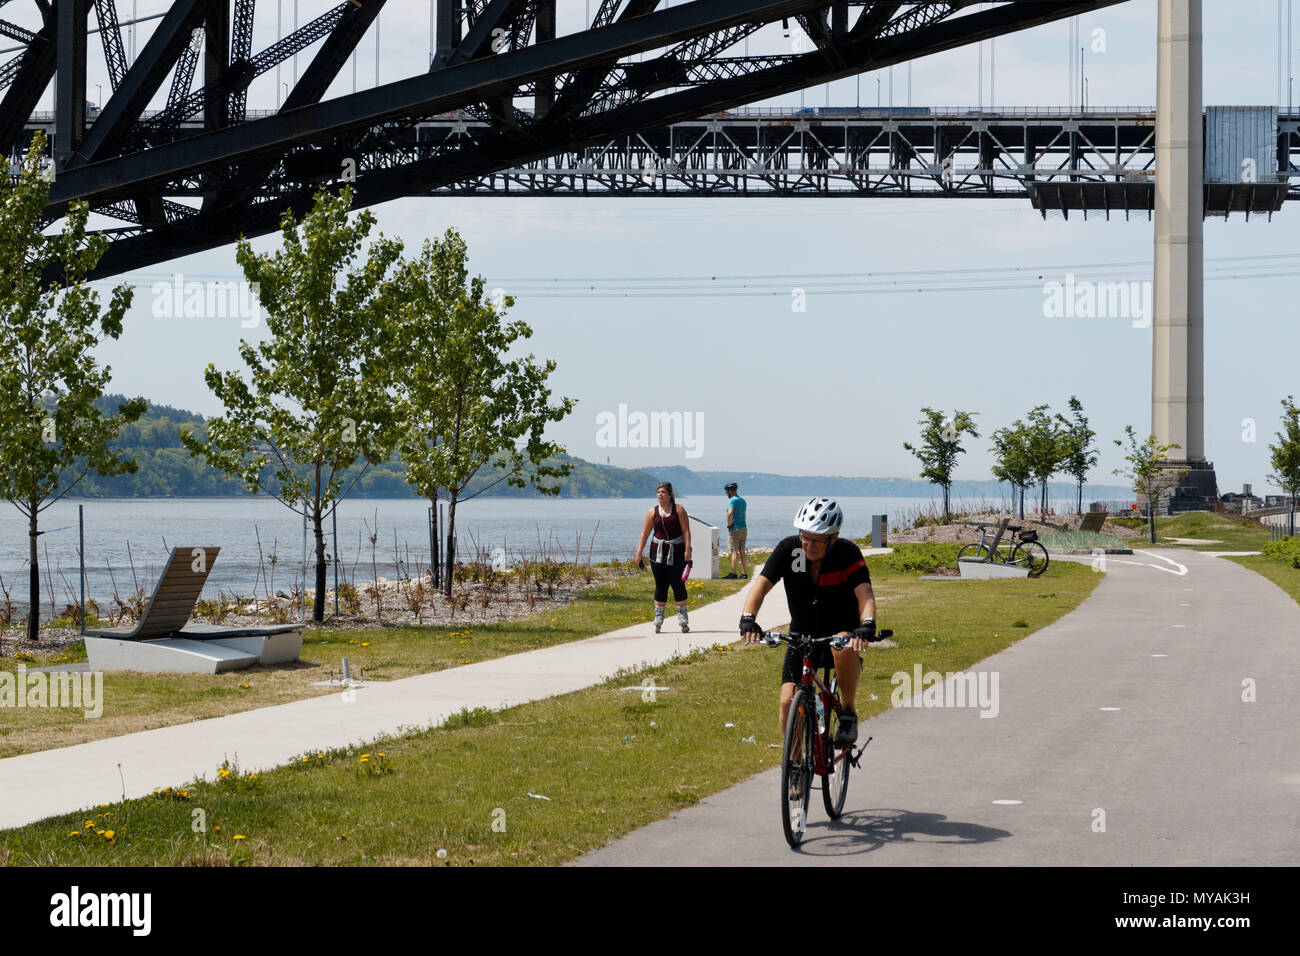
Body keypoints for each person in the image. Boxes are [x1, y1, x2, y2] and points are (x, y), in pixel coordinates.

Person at [738, 497, 878, 747]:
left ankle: (848, 712)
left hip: (840, 630)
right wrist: (748, 618)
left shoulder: (847, 553)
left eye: (816, 539)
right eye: (804, 536)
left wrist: (867, 623)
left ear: (833, 538)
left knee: (843, 647)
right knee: (786, 701)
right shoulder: (790, 550)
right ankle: (794, 769)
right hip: (802, 634)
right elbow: (761, 585)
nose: (808, 544)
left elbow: (864, 592)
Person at [633, 482, 693, 633]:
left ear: (670, 495)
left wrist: (687, 550)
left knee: (678, 584)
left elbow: (686, 531)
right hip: (657, 553)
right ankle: (659, 618)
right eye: (658, 492)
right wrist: (639, 552)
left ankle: (682, 618)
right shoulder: (652, 512)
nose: (660, 494)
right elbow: (645, 533)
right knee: (661, 585)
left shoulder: (679, 510)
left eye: (663, 492)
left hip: (677, 551)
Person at [721, 481, 749, 579]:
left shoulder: (732, 500)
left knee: (734, 551)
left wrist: (729, 524)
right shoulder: (743, 501)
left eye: (726, 491)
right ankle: (744, 573)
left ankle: (733, 573)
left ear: (730, 491)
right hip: (743, 528)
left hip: (734, 528)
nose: (726, 494)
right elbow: (743, 514)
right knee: (742, 551)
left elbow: (730, 513)